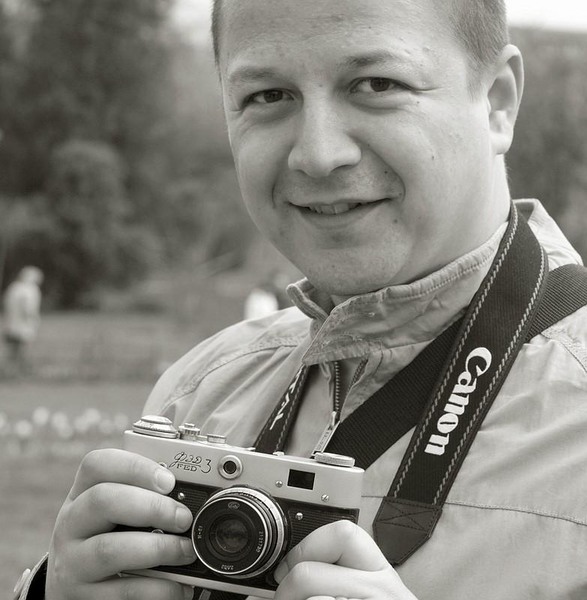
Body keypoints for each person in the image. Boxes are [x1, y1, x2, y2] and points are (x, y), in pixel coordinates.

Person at [13, 0, 587, 599]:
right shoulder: (202, 390)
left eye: (377, 84)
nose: (317, 154)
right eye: (268, 96)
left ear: (497, 102)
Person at [2, 266, 43, 376]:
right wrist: (34, 320)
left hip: (10, 324)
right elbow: (28, 308)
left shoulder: (13, 288)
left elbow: (5, 304)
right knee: (24, 349)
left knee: (13, 350)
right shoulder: (31, 290)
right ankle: (22, 371)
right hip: (24, 325)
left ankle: (10, 371)